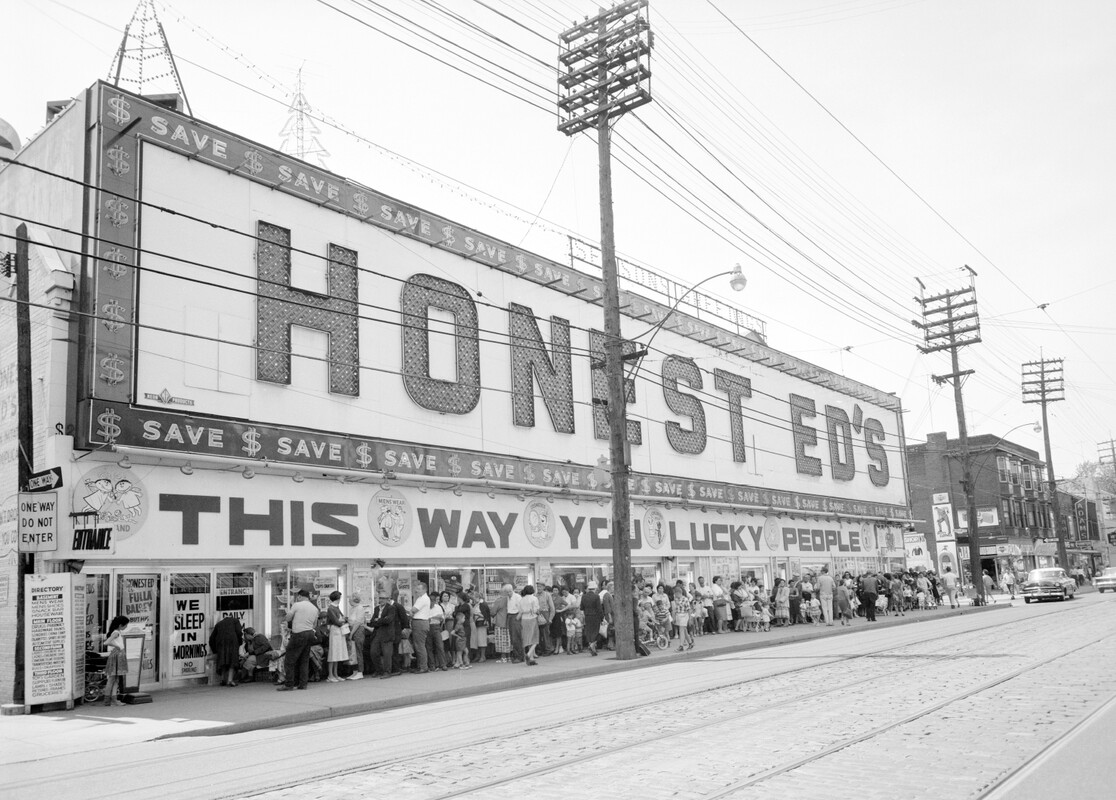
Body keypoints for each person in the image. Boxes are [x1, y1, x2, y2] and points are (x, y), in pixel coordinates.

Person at [278, 588, 318, 691]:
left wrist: (287, 619)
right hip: (309, 633)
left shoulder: (297, 605)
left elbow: (288, 618)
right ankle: (303, 684)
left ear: (299, 596)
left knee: (289, 660)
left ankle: (289, 684)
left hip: (299, 634)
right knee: (304, 660)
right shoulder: (314, 608)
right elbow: (314, 624)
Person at [368, 591, 398, 678]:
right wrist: (380, 620)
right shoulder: (376, 608)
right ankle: (379, 670)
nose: (381, 600)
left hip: (387, 634)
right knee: (373, 652)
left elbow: (388, 620)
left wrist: (378, 620)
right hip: (377, 633)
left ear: (387, 599)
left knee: (387, 654)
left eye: (383, 598)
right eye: (380, 598)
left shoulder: (391, 608)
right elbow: (372, 621)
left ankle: (387, 672)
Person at [209, 613, 243, 687]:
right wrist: (239, 642)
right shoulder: (235, 621)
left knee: (223, 661)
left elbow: (212, 638)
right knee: (232, 661)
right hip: (232, 643)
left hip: (221, 644)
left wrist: (214, 650)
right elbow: (239, 632)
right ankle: (230, 680)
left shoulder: (218, 624)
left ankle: (223, 680)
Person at [103, 615, 130, 706]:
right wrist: (117, 646)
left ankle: (110, 700)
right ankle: (110, 700)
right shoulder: (116, 633)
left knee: (114, 679)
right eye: (125, 625)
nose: (126, 626)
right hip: (118, 654)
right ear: (120, 625)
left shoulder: (116, 632)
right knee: (113, 679)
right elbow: (106, 642)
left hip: (116, 654)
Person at [324, 591, 349, 682]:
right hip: (335, 631)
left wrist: (342, 620)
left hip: (338, 630)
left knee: (337, 652)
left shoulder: (335, 607)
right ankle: (331, 675)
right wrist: (342, 620)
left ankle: (335, 674)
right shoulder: (331, 608)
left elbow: (341, 618)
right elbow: (336, 621)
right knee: (333, 653)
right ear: (337, 598)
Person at [409, 582, 433, 673]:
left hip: (420, 622)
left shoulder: (423, 599)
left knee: (420, 646)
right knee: (418, 645)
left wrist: (410, 612)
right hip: (420, 622)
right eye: (416, 588)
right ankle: (420, 665)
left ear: (424, 590)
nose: (416, 590)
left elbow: (413, 610)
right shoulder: (421, 598)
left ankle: (423, 667)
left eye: (419, 589)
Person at [519, 584, 541, 665]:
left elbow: (520, 610)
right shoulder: (534, 598)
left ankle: (531, 659)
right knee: (535, 638)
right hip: (532, 619)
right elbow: (536, 610)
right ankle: (529, 654)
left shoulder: (521, 599)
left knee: (528, 638)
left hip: (524, 619)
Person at [347, 595, 367, 680]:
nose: (348, 601)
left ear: (354, 600)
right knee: (353, 651)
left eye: (350, 600)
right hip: (352, 628)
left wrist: (351, 633)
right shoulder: (352, 608)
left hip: (358, 630)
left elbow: (358, 621)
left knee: (358, 650)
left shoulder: (360, 608)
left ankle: (360, 671)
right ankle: (354, 671)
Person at [581, 581, 603, 656]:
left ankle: (591, 645)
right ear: (595, 588)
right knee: (595, 631)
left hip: (587, 615)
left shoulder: (583, 596)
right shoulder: (596, 596)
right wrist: (602, 618)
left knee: (589, 631)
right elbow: (599, 609)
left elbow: (581, 607)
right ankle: (592, 645)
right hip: (595, 616)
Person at [470, 589, 491, 664]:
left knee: (482, 640)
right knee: (477, 640)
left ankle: (482, 656)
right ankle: (478, 655)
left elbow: (486, 615)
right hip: (477, 623)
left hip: (481, 623)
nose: (473, 600)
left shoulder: (482, 604)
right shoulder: (477, 604)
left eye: (473, 598)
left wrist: (478, 615)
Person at [492, 584, 512, 663]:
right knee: (509, 639)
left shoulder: (499, 600)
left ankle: (503, 657)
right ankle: (509, 656)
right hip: (509, 622)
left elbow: (493, 611)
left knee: (501, 640)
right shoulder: (511, 599)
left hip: (500, 622)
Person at [671, 586, 693, 651]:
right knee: (684, 630)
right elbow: (675, 609)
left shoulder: (685, 599)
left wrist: (690, 618)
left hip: (684, 615)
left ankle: (681, 645)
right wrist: (674, 617)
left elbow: (689, 609)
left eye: (675, 593)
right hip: (679, 615)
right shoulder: (676, 599)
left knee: (681, 630)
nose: (674, 595)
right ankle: (690, 643)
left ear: (678, 593)